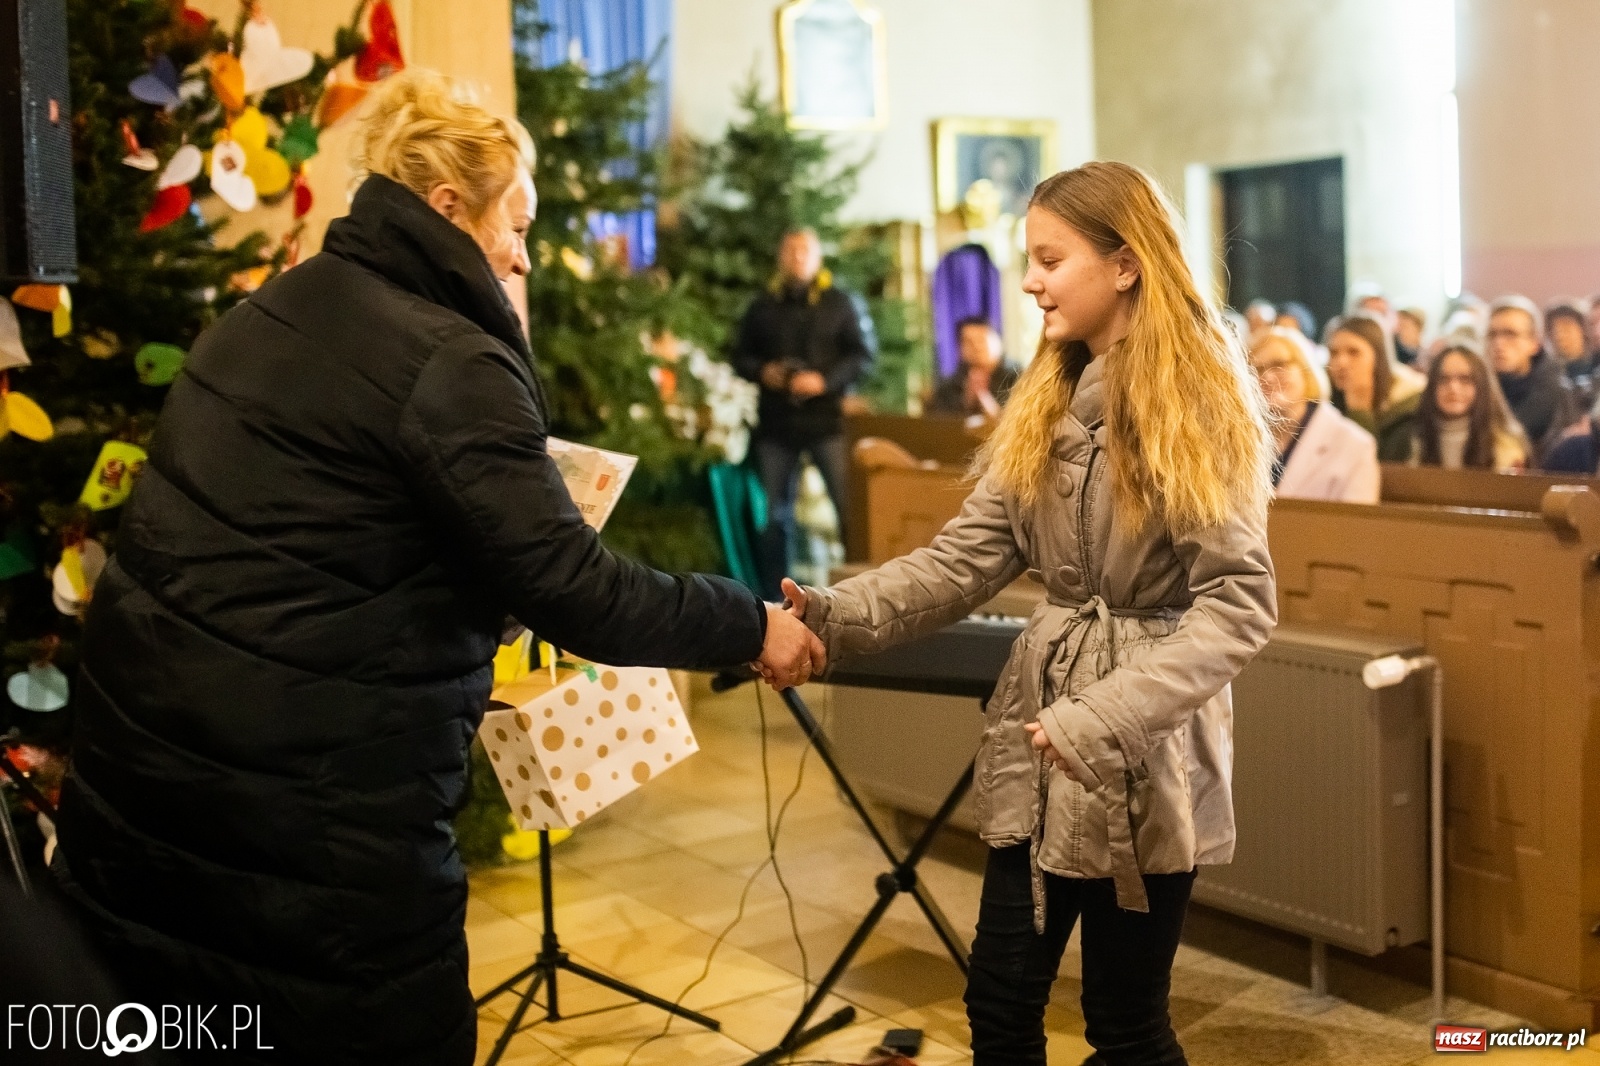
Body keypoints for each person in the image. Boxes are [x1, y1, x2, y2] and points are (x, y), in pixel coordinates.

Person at [52, 70, 825, 1066]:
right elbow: (573, 589)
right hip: (316, 807)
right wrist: (748, 622)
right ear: (450, 207)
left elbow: (325, 539)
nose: (524, 252)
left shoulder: (273, 310)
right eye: (518, 223)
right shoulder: (448, 359)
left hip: (156, 774)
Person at [783, 161, 1277, 1066]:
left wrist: (1104, 716)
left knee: (1125, 1024)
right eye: (1029, 259)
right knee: (999, 1002)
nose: (1029, 281)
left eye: (1051, 259)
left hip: (1143, 751)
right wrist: (826, 615)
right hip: (1038, 747)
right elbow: (961, 561)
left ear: (1125, 263)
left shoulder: (1196, 405)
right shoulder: (1046, 395)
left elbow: (1238, 607)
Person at [734, 227, 875, 599]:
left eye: (805, 251)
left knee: (849, 510)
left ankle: (859, 593)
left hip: (827, 422)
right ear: (781, 257)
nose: (797, 257)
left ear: (817, 257)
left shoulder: (840, 303)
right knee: (771, 519)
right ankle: (773, 598)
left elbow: (863, 355)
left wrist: (825, 381)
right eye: (791, 250)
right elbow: (739, 355)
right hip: (777, 424)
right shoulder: (763, 305)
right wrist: (763, 372)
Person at [1250, 328, 1379, 502]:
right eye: (1257, 369)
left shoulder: (1355, 445)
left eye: (1279, 364)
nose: (1268, 377)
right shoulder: (1237, 438)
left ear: (1306, 370)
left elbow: (1357, 525)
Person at [1410, 340, 1528, 472]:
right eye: (1443, 379)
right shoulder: (1411, 440)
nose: (1453, 388)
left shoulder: (1507, 449)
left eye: (1465, 379)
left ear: (1482, 385)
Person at [1326, 312, 1426, 462]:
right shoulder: (1324, 399)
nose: (1341, 362)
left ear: (1379, 357)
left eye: (1354, 352)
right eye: (1334, 353)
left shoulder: (1409, 406)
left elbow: (1370, 467)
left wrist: (1359, 410)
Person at [1487, 295, 1576, 457]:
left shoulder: (1558, 396)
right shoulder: (1479, 388)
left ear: (1534, 343)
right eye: (1492, 334)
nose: (1498, 344)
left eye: (1510, 334)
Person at [929, 316, 1021, 419]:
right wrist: (967, 403)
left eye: (982, 340)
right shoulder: (949, 386)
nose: (976, 347)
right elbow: (941, 425)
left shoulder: (1018, 377)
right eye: (969, 342)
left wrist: (986, 400)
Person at [1545, 298, 1596, 406]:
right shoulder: (1546, 375)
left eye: (1566, 327)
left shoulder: (1596, 369)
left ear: (1583, 329)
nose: (1560, 335)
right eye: (1554, 329)